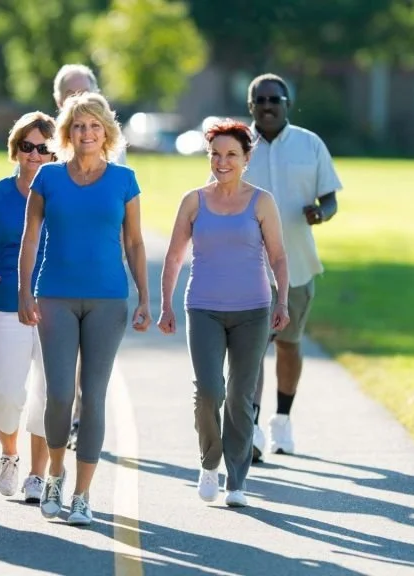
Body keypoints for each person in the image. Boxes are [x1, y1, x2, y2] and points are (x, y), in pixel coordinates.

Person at [17, 92, 151, 526]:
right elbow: (30, 239)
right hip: (54, 295)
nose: (87, 133)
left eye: (94, 126)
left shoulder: (124, 180)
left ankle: (82, 494)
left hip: (108, 299)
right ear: (67, 133)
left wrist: (147, 298)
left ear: (107, 132)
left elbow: (133, 242)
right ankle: (55, 472)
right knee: (58, 395)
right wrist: (24, 292)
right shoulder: (48, 179)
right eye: (78, 126)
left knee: (92, 398)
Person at [159, 119, 290, 508]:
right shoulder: (194, 201)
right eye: (215, 154)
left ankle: (237, 481)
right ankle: (208, 462)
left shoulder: (261, 201)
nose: (222, 161)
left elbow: (279, 257)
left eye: (232, 154)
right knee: (209, 392)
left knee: (240, 395)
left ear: (247, 158)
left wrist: (282, 301)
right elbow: (173, 256)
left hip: (254, 310)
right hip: (203, 308)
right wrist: (165, 304)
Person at [240, 73, 343, 461]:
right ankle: (250, 428)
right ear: (251, 105)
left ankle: (281, 420)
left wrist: (322, 213)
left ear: (287, 103)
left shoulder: (309, 144)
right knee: (252, 348)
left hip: (297, 266)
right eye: (260, 100)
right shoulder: (237, 145)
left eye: (275, 99)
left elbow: (330, 197)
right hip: (249, 268)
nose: (268, 106)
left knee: (288, 344)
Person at [0, 112, 56, 503]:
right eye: (27, 146)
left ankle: (38, 474)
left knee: (49, 393)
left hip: (57, 303)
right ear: (15, 149)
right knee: (6, 393)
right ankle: (9, 453)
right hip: (6, 304)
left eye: (44, 148)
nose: (35, 154)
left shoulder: (65, 192)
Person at [50, 63, 128, 451]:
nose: (79, 100)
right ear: (59, 101)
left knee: (90, 379)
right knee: (56, 379)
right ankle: (49, 442)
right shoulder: (45, 150)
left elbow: (122, 221)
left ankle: (81, 421)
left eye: (86, 91)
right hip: (54, 281)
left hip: (99, 283)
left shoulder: (116, 160)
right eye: (70, 94)